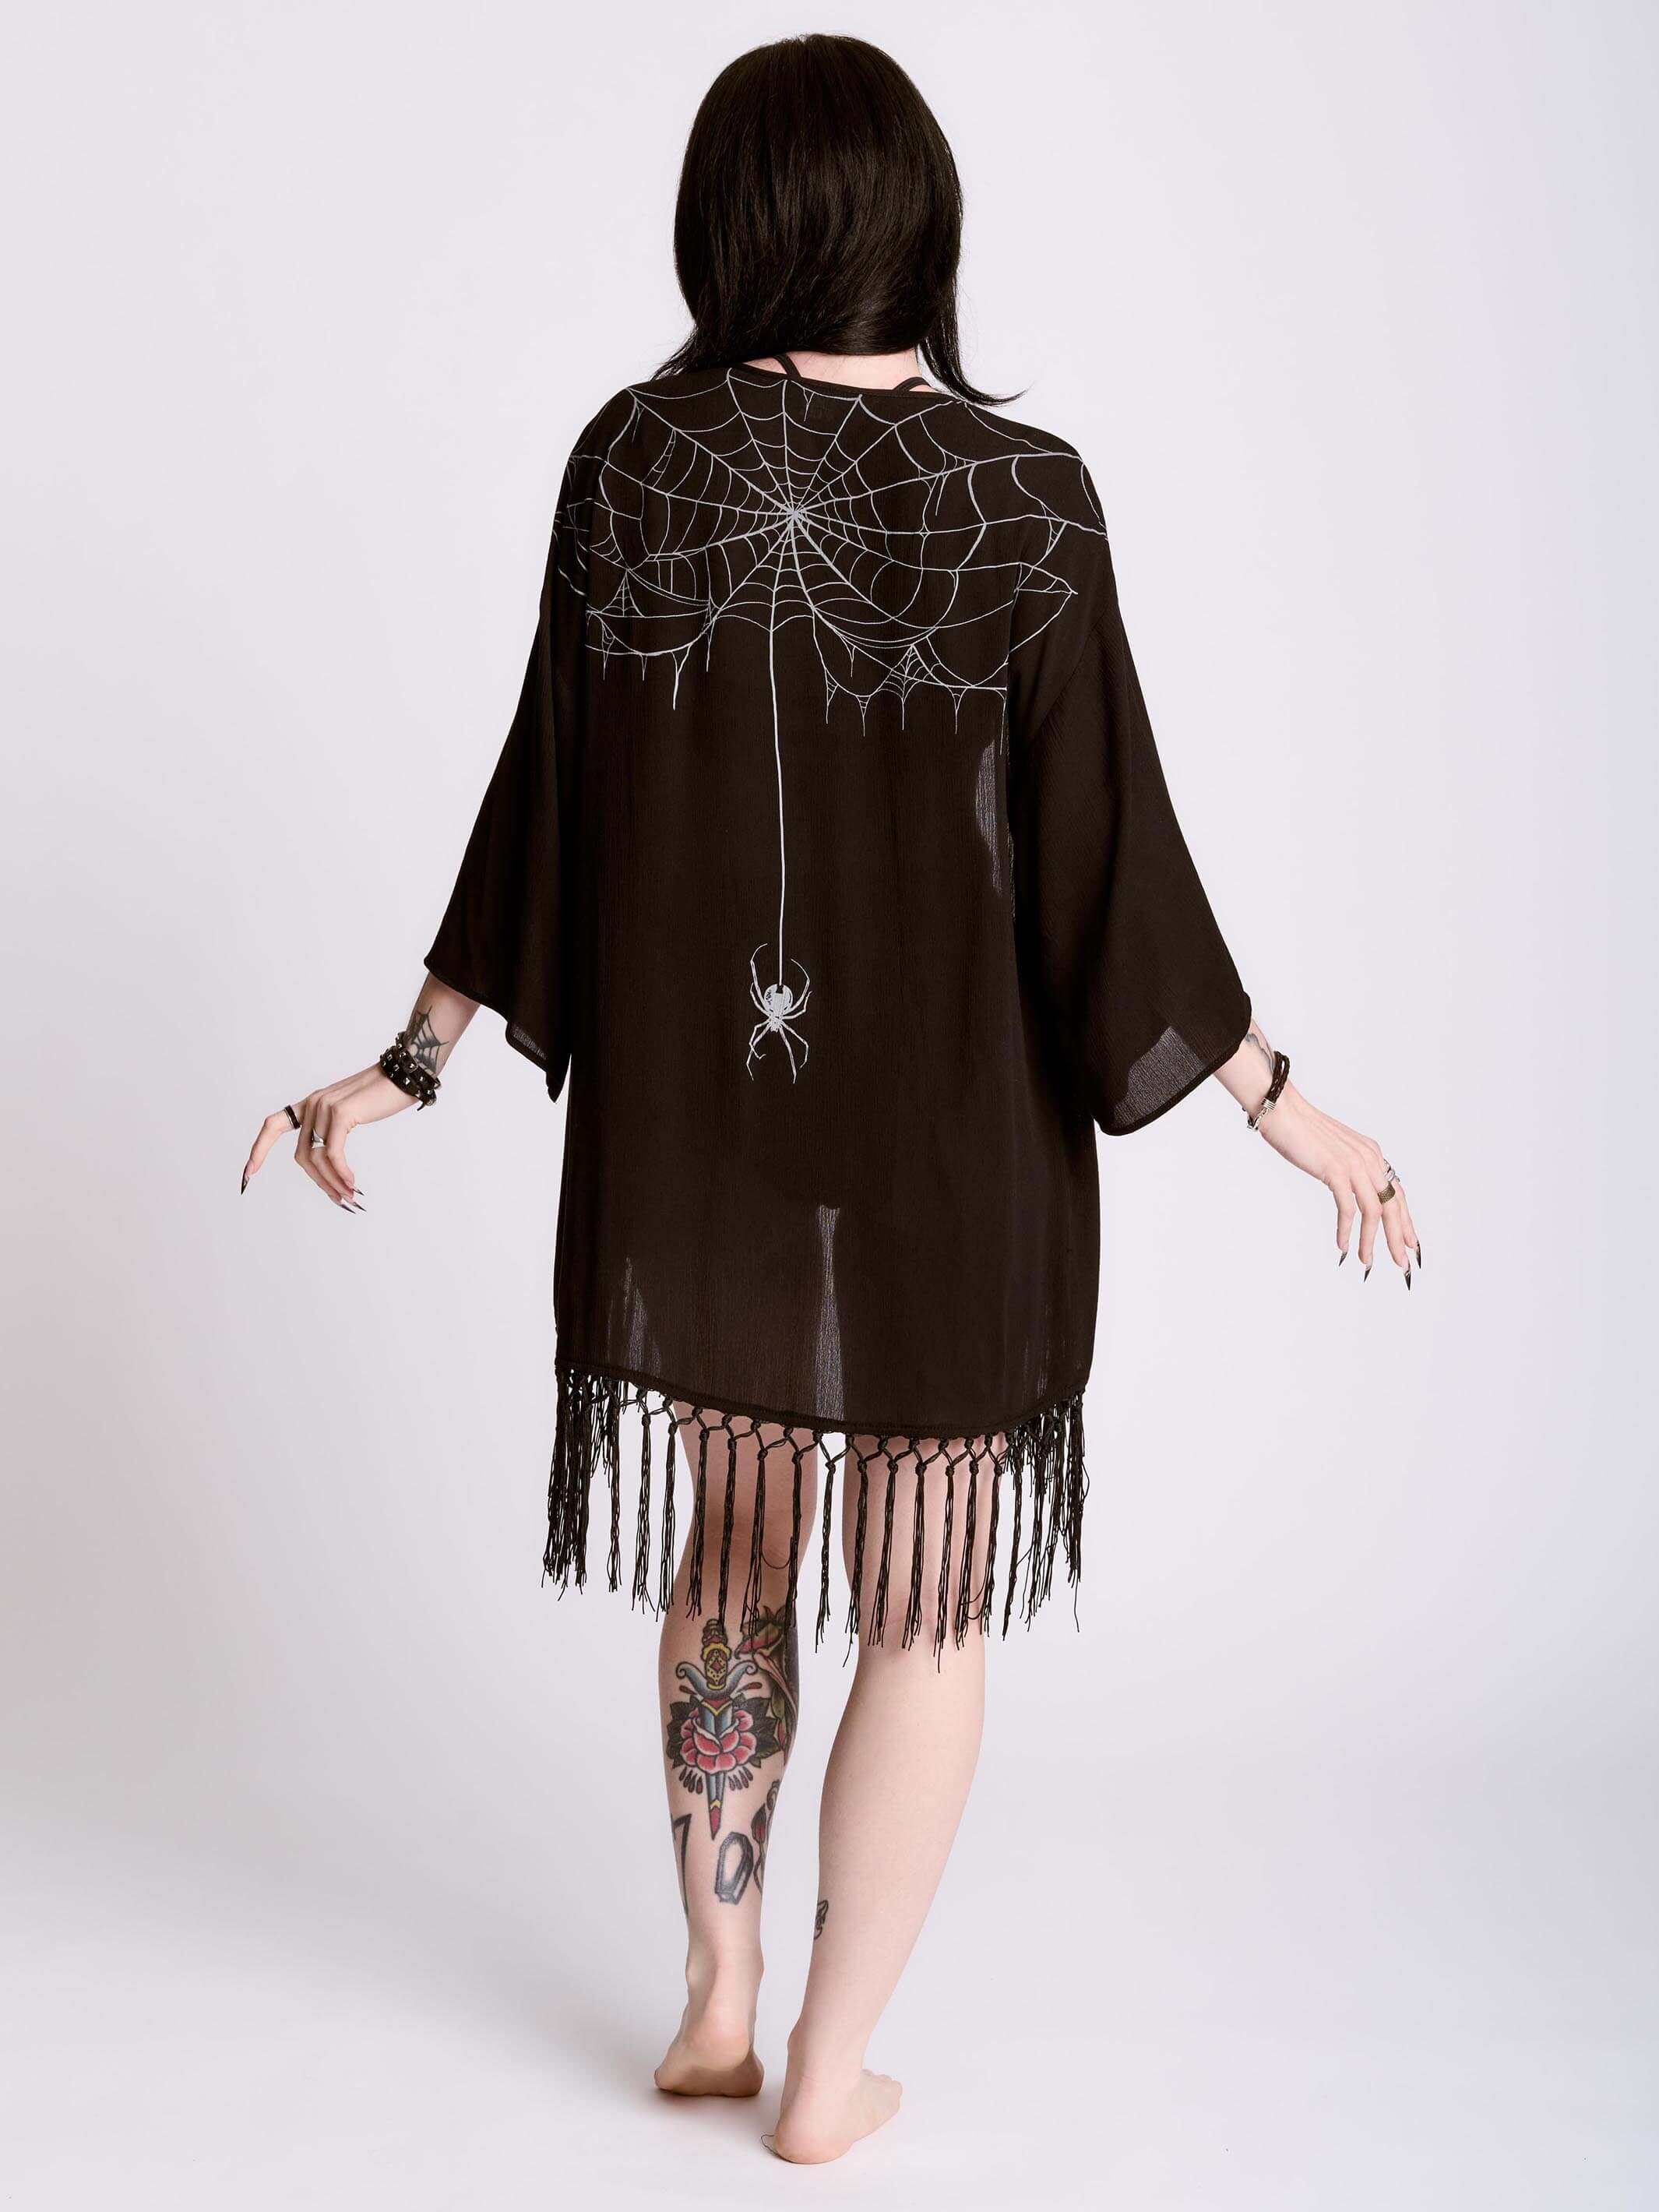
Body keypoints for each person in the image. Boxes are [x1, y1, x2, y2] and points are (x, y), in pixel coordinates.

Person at [241, 32, 1421, 2167]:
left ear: (730, 220)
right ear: (921, 216)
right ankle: (825, 2068)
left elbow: (545, 802)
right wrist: (1276, 1100)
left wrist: (410, 1060)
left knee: (733, 1540)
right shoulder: (1028, 493)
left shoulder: (633, 458)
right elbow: (1111, 864)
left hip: (707, 1140)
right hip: (956, 1148)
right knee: (925, 1601)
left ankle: (713, 2006)